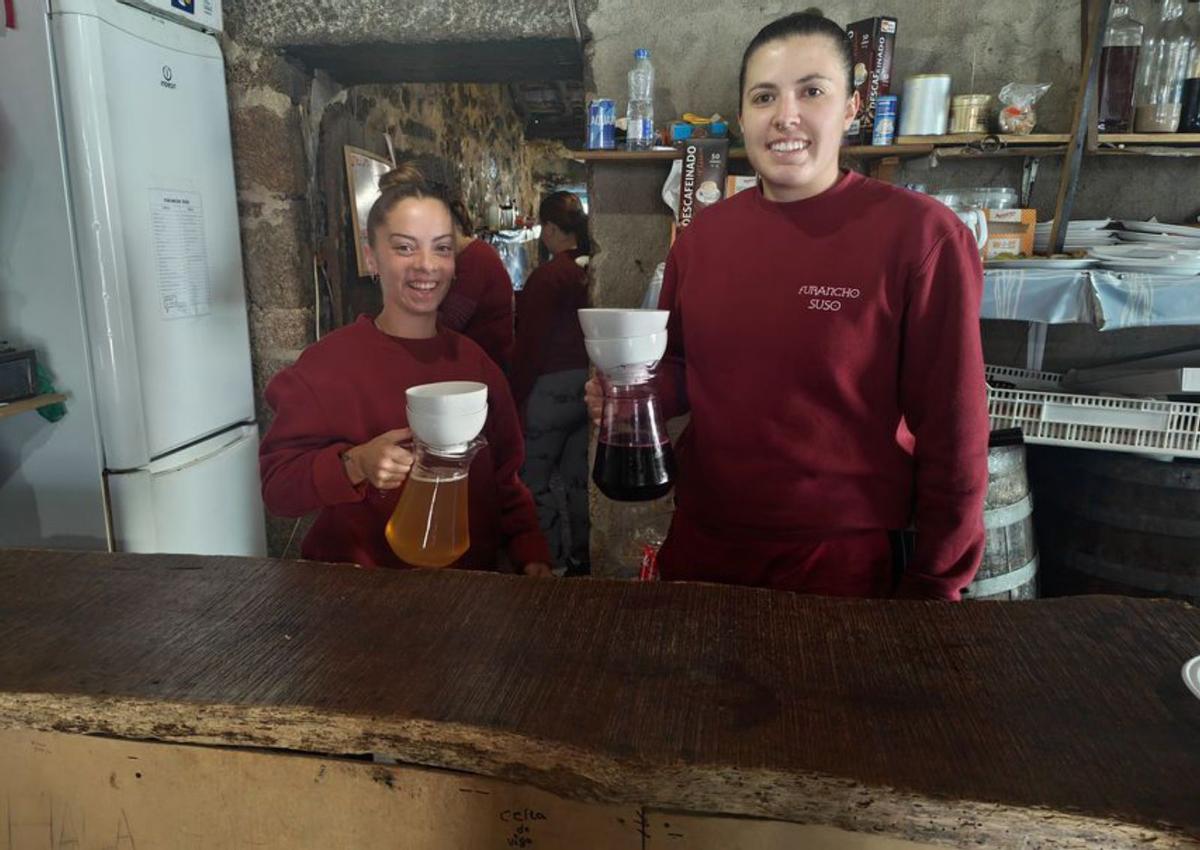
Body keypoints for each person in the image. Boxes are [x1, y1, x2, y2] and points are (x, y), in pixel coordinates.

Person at [586, 11, 989, 600]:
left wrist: (937, 580)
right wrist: (624, 393)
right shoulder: (701, 238)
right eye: (764, 96)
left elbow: (955, 428)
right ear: (744, 115)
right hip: (705, 541)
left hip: (843, 558)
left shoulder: (923, 236)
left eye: (813, 91)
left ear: (853, 107)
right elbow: (677, 372)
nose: (786, 117)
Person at [260, 164, 553, 576]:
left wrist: (530, 551)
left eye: (441, 248)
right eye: (404, 248)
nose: (426, 266)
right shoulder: (326, 366)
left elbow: (505, 479)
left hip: (471, 592)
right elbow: (279, 490)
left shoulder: (478, 366)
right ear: (370, 255)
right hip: (358, 599)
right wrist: (355, 463)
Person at [510, 191, 592, 573]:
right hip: (587, 384)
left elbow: (530, 344)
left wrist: (518, 394)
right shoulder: (589, 270)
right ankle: (582, 555)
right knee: (578, 480)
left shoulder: (548, 277)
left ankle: (550, 561)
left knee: (534, 480)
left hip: (551, 387)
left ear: (553, 229)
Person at [437, 184, 515, 371]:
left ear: (454, 227)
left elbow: (452, 320)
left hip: (487, 362)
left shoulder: (474, 258)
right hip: (486, 358)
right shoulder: (473, 253)